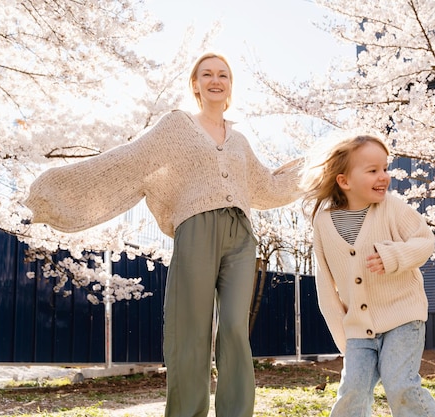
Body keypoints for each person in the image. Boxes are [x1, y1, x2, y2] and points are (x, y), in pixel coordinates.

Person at [24, 52, 302, 417]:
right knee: (190, 331)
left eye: (223, 75)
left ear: (230, 86)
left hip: (240, 234)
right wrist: (56, 192)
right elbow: (128, 160)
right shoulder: (176, 126)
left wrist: (317, 169)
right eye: (207, 75)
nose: (216, 80)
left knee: (235, 327)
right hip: (196, 229)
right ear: (196, 84)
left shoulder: (240, 141)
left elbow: (266, 186)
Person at [301, 134, 435, 417]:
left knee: (400, 385)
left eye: (386, 168)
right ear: (344, 181)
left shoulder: (392, 208)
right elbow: (325, 286)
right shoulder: (323, 221)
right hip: (357, 329)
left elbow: (425, 241)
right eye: (373, 170)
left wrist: (394, 256)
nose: (384, 177)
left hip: (402, 316)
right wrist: (344, 337)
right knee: (352, 391)